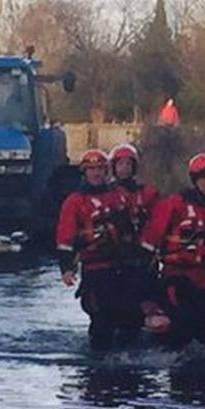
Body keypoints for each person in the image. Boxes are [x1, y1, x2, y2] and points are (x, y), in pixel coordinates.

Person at [141, 153, 205, 347]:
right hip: (178, 275)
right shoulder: (176, 204)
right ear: (195, 180)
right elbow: (152, 234)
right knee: (184, 322)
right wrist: (144, 268)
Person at [56, 149, 132, 349]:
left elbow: (130, 231)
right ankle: (97, 365)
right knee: (101, 317)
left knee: (127, 315)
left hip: (120, 267)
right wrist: (66, 268)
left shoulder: (119, 196)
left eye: (100, 169)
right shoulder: (75, 202)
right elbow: (65, 237)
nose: (96, 173)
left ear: (107, 170)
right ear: (84, 172)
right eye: (91, 169)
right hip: (94, 269)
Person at [110, 143, 162, 327]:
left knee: (144, 294)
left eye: (128, 164)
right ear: (114, 167)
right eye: (121, 164)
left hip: (142, 255)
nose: (125, 168)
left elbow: (158, 221)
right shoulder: (107, 194)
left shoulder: (147, 193)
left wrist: (148, 246)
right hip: (116, 256)